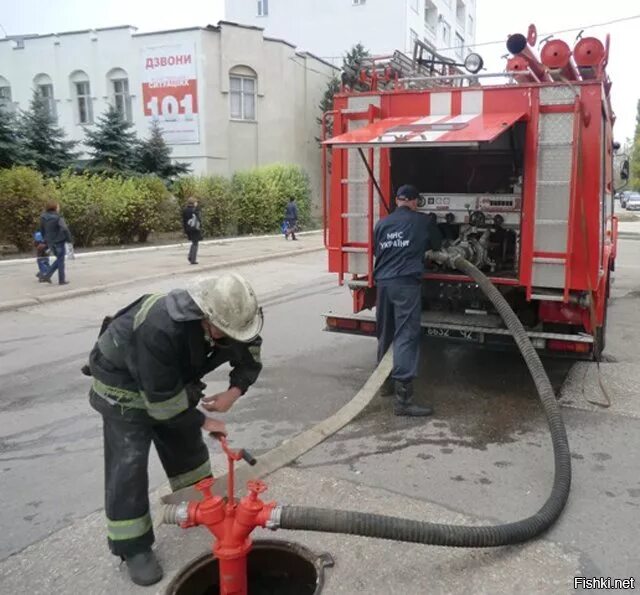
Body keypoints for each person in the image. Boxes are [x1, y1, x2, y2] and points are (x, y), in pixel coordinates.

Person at [86, 273, 263, 586]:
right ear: (205, 316)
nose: (233, 336)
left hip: (170, 381)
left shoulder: (239, 315)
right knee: (128, 463)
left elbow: (249, 355)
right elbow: (162, 402)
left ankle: (200, 503)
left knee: (185, 443)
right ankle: (133, 547)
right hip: (122, 388)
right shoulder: (159, 327)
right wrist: (206, 421)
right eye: (225, 331)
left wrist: (232, 394)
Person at [373, 184, 442, 417]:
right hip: (405, 285)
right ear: (415, 201)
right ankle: (404, 401)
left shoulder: (382, 223)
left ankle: (385, 385)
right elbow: (437, 245)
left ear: (396, 200)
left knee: (386, 332)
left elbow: (377, 251)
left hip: (382, 283)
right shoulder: (423, 221)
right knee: (405, 336)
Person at [39, 201, 72, 285]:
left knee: (59, 260)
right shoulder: (58, 217)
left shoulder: (43, 217)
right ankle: (61, 280)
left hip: (50, 242)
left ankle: (47, 275)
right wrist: (69, 239)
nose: (59, 208)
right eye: (58, 206)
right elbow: (64, 228)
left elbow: (42, 230)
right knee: (61, 261)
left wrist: (45, 240)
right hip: (59, 241)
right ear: (55, 208)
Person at [182, 197, 202, 264]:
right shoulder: (195, 210)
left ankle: (190, 256)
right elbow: (198, 219)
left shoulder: (185, 210)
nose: (197, 203)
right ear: (194, 203)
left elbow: (184, 221)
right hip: (195, 228)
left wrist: (185, 230)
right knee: (195, 243)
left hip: (188, 228)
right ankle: (193, 259)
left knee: (193, 242)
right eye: (196, 202)